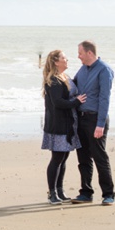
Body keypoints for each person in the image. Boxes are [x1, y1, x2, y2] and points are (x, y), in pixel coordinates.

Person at [72, 40, 115, 206]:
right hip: (81, 118)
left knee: (99, 156)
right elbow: (73, 86)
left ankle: (108, 194)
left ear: (89, 53)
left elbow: (105, 98)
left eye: (80, 53)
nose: (78, 56)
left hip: (96, 119)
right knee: (83, 157)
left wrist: (100, 124)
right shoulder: (82, 69)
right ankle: (86, 192)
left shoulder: (104, 70)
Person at [41, 50, 86, 205]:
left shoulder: (65, 77)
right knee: (57, 158)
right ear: (56, 62)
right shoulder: (53, 80)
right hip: (58, 125)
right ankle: (52, 193)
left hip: (68, 123)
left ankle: (59, 190)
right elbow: (58, 103)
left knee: (64, 157)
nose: (67, 60)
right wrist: (77, 102)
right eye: (64, 58)